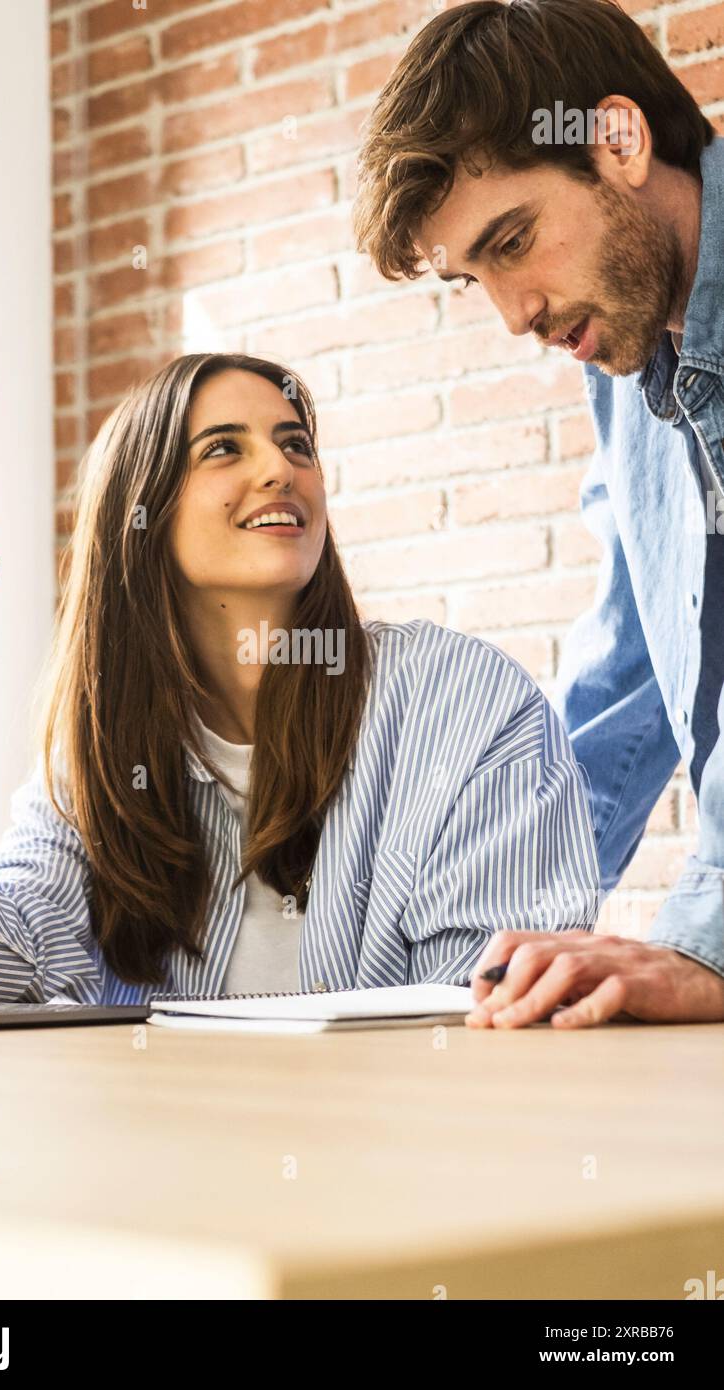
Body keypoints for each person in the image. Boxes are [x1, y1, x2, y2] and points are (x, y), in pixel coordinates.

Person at [0, 353, 598, 1006]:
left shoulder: (464, 703)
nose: (280, 470)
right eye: (224, 447)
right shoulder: (103, 759)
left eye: (296, 445)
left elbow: (491, 1009)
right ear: (144, 514)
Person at [352, 0, 724, 1026]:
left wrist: (702, 940)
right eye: (476, 277)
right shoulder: (627, 358)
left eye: (510, 241)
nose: (512, 315)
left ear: (616, 140)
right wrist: (474, 937)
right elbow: (630, 673)